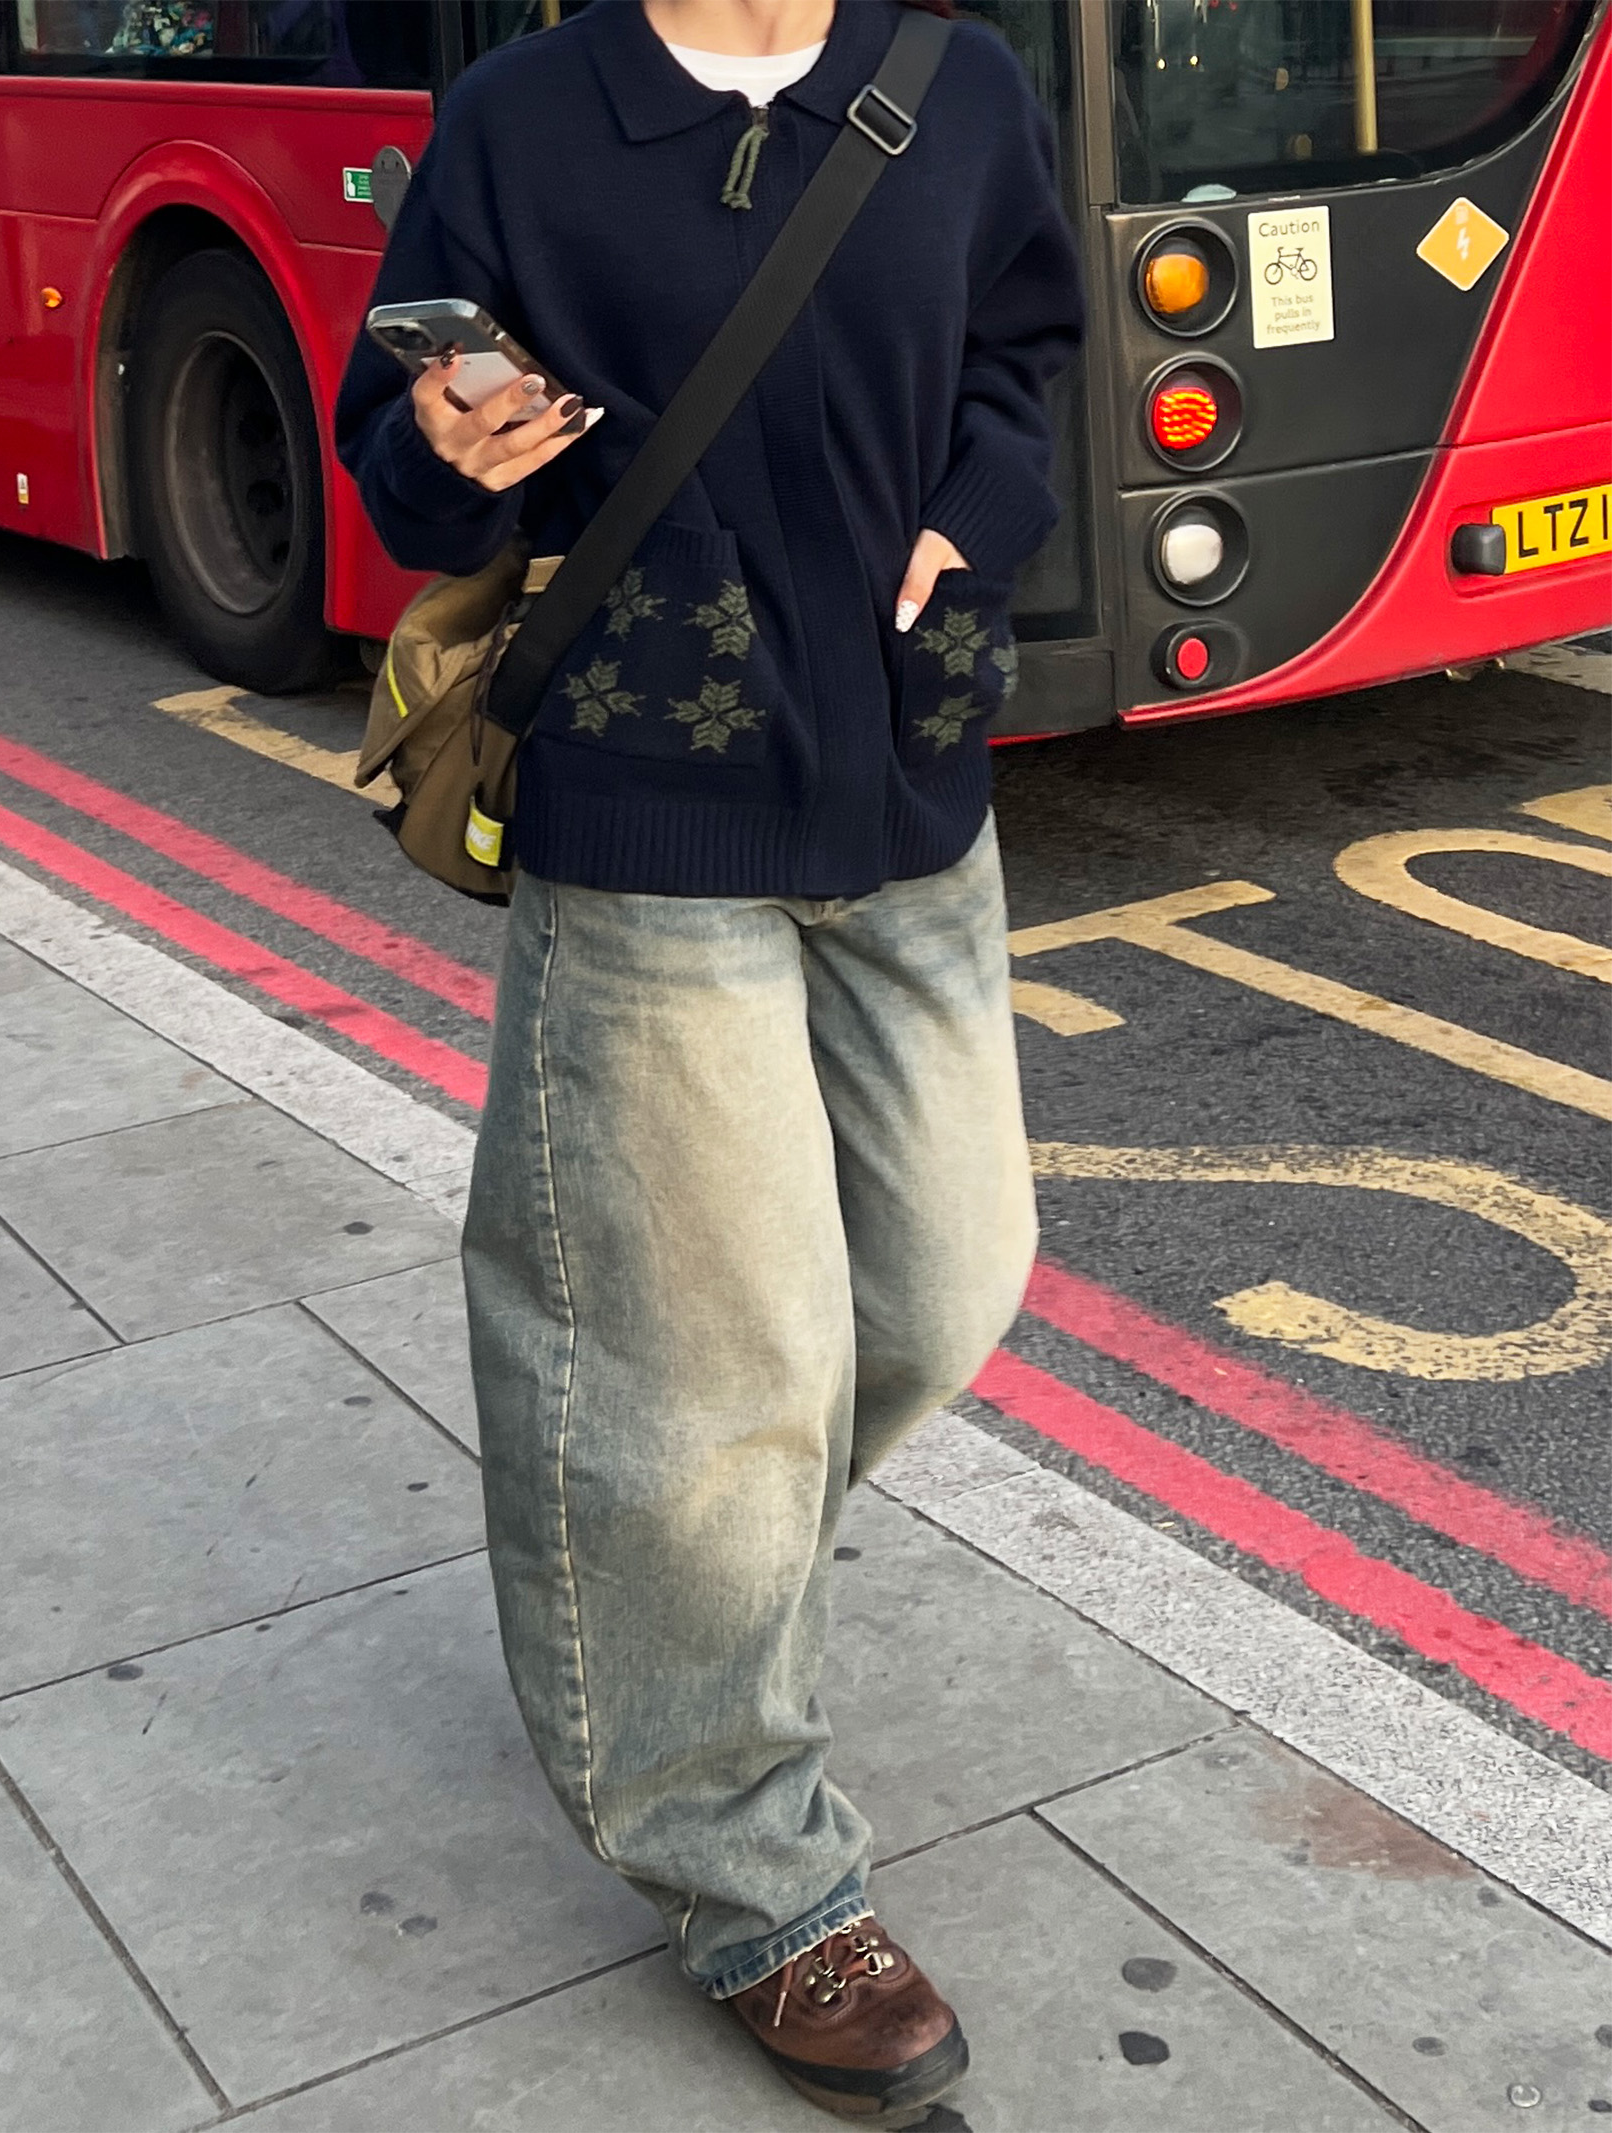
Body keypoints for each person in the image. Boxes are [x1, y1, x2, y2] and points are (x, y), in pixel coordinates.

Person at [336, 0, 1083, 2117]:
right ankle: (753, 1874)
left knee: (944, 1285)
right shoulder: (523, 116)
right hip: (648, 811)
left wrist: (978, 513)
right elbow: (395, 464)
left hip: (909, 794)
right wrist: (451, 446)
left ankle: (662, 1586)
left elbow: (1026, 354)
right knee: (709, 1372)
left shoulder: (958, 88)